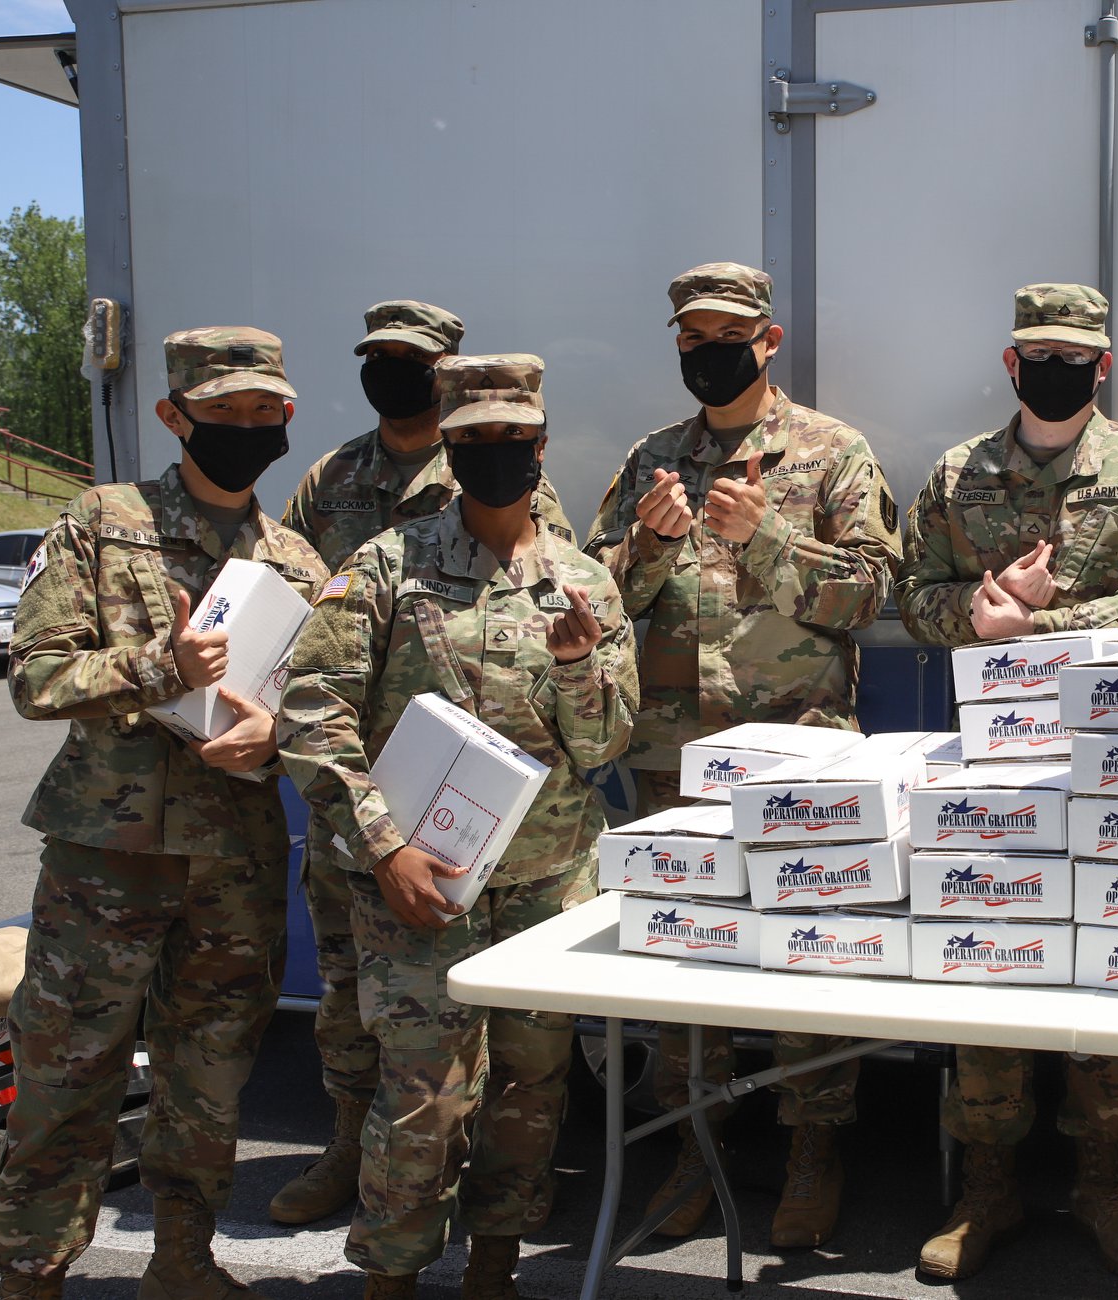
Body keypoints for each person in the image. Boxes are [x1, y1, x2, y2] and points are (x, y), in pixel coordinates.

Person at [277, 355, 637, 1300]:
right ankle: (391, 1277)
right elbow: (314, 716)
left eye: (511, 440)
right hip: (420, 882)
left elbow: (605, 742)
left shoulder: (585, 585)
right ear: (447, 446)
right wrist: (383, 847)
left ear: (540, 446)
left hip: (546, 881)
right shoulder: (388, 564)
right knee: (422, 1097)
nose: (494, 455)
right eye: (473, 439)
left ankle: (493, 1268)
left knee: (530, 1087)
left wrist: (575, 666)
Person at [0, 328, 328, 1300]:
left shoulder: (296, 561)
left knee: (210, 1069)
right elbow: (39, 677)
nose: (244, 427)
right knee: (70, 1068)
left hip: (236, 861)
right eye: (222, 412)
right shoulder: (106, 518)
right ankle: (32, 1274)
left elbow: (320, 708)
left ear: (285, 420)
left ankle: (182, 1259)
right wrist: (160, 670)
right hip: (110, 852)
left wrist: (272, 735)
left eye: (263, 412)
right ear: (173, 415)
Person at [583, 262, 900, 1249]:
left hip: (798, 759)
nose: (707, 350)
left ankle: (813, 1149)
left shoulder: (829, 452)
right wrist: (642, 548)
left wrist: (764, 540)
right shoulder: (651, 459)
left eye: (727, 334)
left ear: (766, 342)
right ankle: (691, 1148)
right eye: (690, 336)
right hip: (674, 762)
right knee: (685, 959)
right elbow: (592, 602)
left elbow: (868, 596)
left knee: (806, 960)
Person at [896, 283, 1118, 1280]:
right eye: (1039, 352)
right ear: (1010, 362)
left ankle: (1103, 1182)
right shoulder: (958, 472)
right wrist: (977, 623)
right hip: (990, 761)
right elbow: (914, 596)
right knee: (989, 951)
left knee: (1107, 964)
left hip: (1116, 765)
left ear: (1101, 365)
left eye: (1075, 354)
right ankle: (986, 1187)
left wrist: (1042, 627)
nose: (1056, 367)